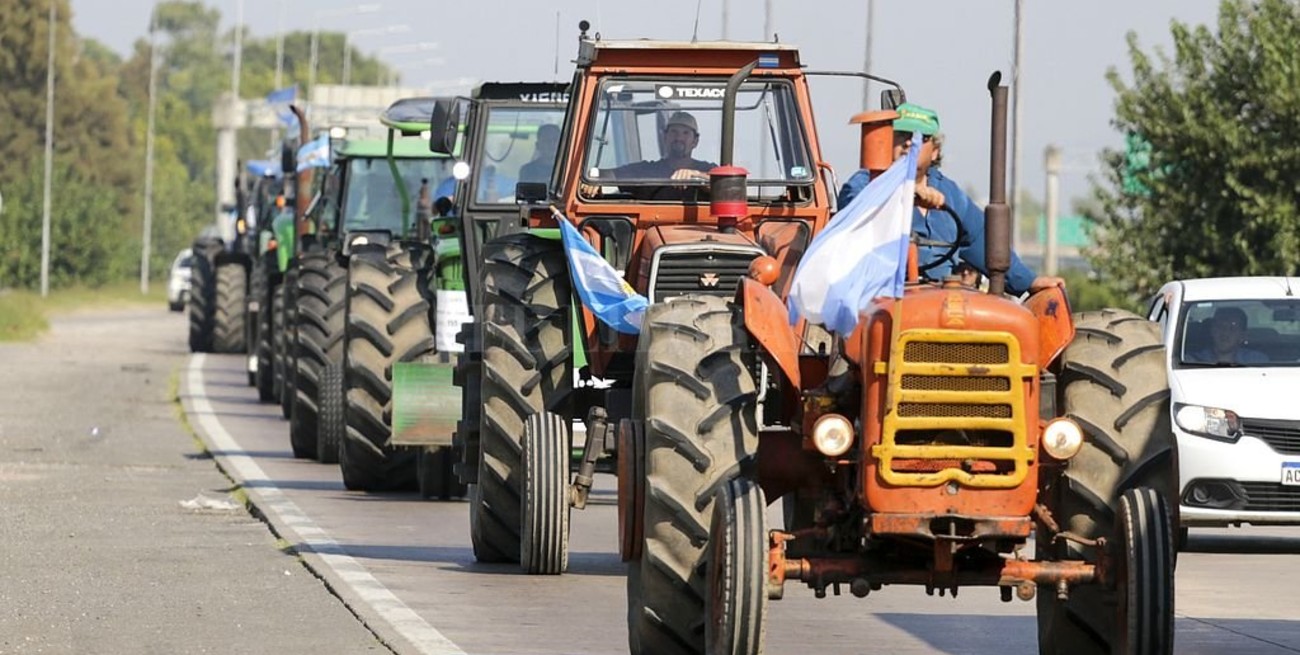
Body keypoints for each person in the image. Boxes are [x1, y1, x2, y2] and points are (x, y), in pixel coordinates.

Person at [837, 102, 1064, 297]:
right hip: (881, 297)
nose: (908, 143)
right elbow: (856, 209)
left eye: (919, 138)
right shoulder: (866, 182)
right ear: (888, 142)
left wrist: (1028, 281)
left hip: (941, 299)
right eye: (902, 135)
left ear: (935, 151)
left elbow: (984, 241)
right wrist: (907, 194)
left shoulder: (950, 194)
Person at [582, 111, 717, 199]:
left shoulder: (708, 170)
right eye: (674, 132)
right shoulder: (647, 170)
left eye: (685, 133)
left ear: (695, 141)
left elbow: (725, 186)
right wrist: (594, 179)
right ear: (665, 137)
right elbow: (611, 175)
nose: (679, 138)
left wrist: (696, 176)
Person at [1188, 306, 1269, 365]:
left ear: (1242, 335)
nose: (1225, 332)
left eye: (1232, 328)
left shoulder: (1257, 361)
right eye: (1220, 326)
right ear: (1212, 330)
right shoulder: (1192, 361)